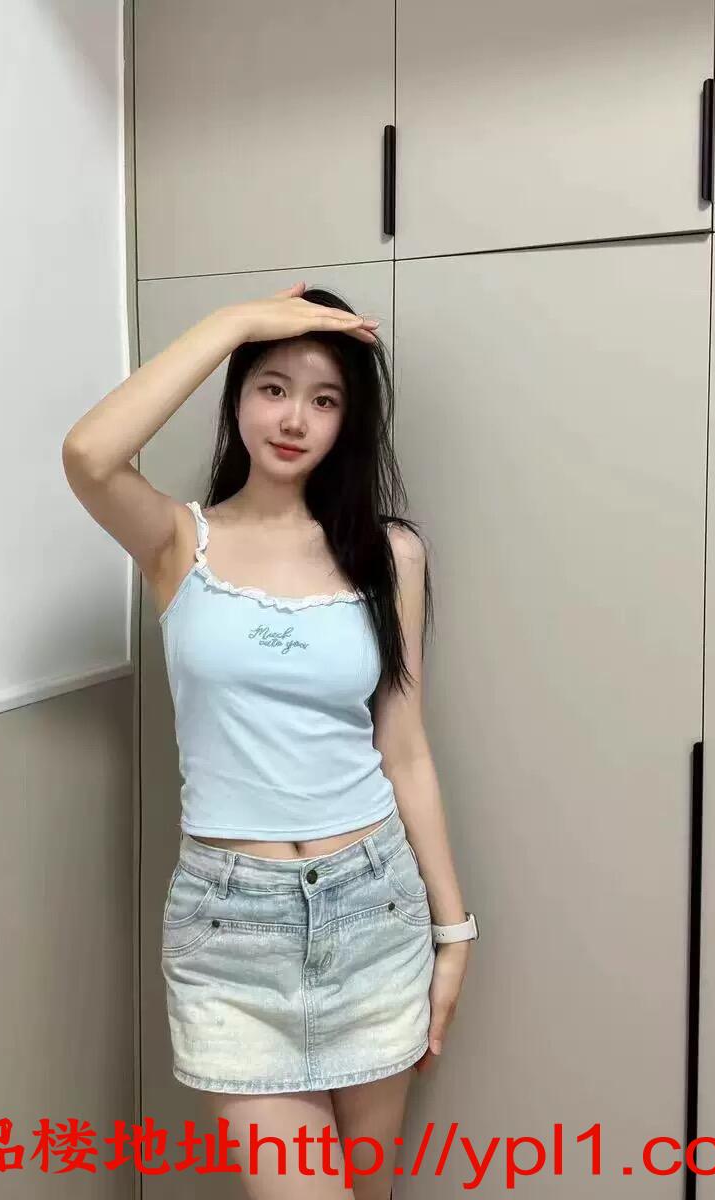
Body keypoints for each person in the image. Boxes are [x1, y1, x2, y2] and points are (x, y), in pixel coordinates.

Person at [62, 281, 477, 1199]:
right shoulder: (178, 541)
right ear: (239, 395)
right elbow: (88, 454)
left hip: (375, 910)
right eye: (273, 387)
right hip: (230, 933)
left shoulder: (390, 556)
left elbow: (404, 747)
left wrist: (455, 932)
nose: (294, 419)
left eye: (324, 400)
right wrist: (237, 323)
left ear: (349, 423)